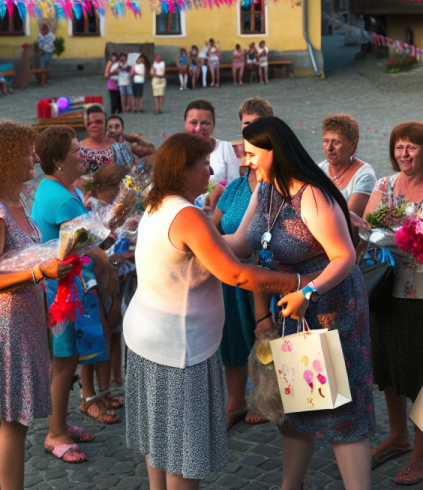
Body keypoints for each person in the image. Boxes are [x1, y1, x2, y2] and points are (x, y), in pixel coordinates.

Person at [123, 132, 306, 489]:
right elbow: (235, 272)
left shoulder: (160, 203)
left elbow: (234, 244)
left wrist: (259, 192)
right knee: (181, 455)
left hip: (150, 340)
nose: (211, 170)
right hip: (178, 350)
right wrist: (298, 283)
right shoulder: (188, 215)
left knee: (159, 445)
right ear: (184, 169)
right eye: (204, 164)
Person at [231, 116, 374, 490]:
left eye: (251, 153)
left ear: (274, 151)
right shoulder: (265, 189)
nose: (247, 161)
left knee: (341, 407)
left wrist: (308, 293)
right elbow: (241, 243)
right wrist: (192, 237)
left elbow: (345, 257)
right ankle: (289, 486)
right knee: (298, 404)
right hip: (295, 310)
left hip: (332, 307)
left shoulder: (311, 193)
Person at [0, 121, 70, 490]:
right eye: (27, 152)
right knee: (13, 422)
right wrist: (40, 271)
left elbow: (16, 257)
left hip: (20, 320)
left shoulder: (16, 200)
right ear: (5, 159)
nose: (35, 157)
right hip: (5, 325)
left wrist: (57, 253)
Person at [361, 121, 423, 483]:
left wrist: (391, 229)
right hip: (384, 289)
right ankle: (397, 436)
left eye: (412, 147)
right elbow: (366, 229)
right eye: (399, 147)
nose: (404, 154)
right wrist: (396, 229)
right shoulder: (384, 185)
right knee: (390, 368)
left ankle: (422, 449)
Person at [31, 127, 119, 462]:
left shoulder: (54, 188)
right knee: (65, 363)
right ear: (58, 160)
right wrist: (108, 269)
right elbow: (89, 248)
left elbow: (87, 240)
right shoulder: (64, 198)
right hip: (63, 292)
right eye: (75, 149)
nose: (83, 153)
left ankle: (62, 423)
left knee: (64, 361)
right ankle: (55, 434)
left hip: (59, 288)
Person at [211, 97, 275, 430]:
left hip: (266, 277)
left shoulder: (276, 185)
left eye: (256, 124)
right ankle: (235, 400)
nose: (250, 131)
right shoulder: (235, 187)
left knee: (265, 335)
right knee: (232, 336)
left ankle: (266, 397)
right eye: (245, 125)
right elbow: (213, 226)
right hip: (232, 276)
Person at [87, 162, 137, 389]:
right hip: (105, 273)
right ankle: (104, 382)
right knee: (109, 326)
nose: (120, 197)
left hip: (124, 272)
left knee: (119, 328)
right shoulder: (92, 207)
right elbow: (95, 241)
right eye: (117, 192)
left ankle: (117, 376)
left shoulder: (121, 208)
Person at [184, 100, 240, 214]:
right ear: (185, 123)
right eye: (193, 122)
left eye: (205, 123)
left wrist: (221, 191)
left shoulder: (225, 148)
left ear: (213, 125)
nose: (199, 128)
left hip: (219, 215)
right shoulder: (177, 152)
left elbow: (236, 187)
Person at [318, 113, 377, 218]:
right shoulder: (320, 169)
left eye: (336, 142)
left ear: (353, 145)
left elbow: (349, 220)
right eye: (326, 141)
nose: (329, 148)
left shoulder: (365, 176)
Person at [79, 105, 134, 173]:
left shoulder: (118, 146)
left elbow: (130, 171)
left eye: (98, 122)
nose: (93, 125)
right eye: (90, 123)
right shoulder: (79, 149)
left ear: (105, 124)